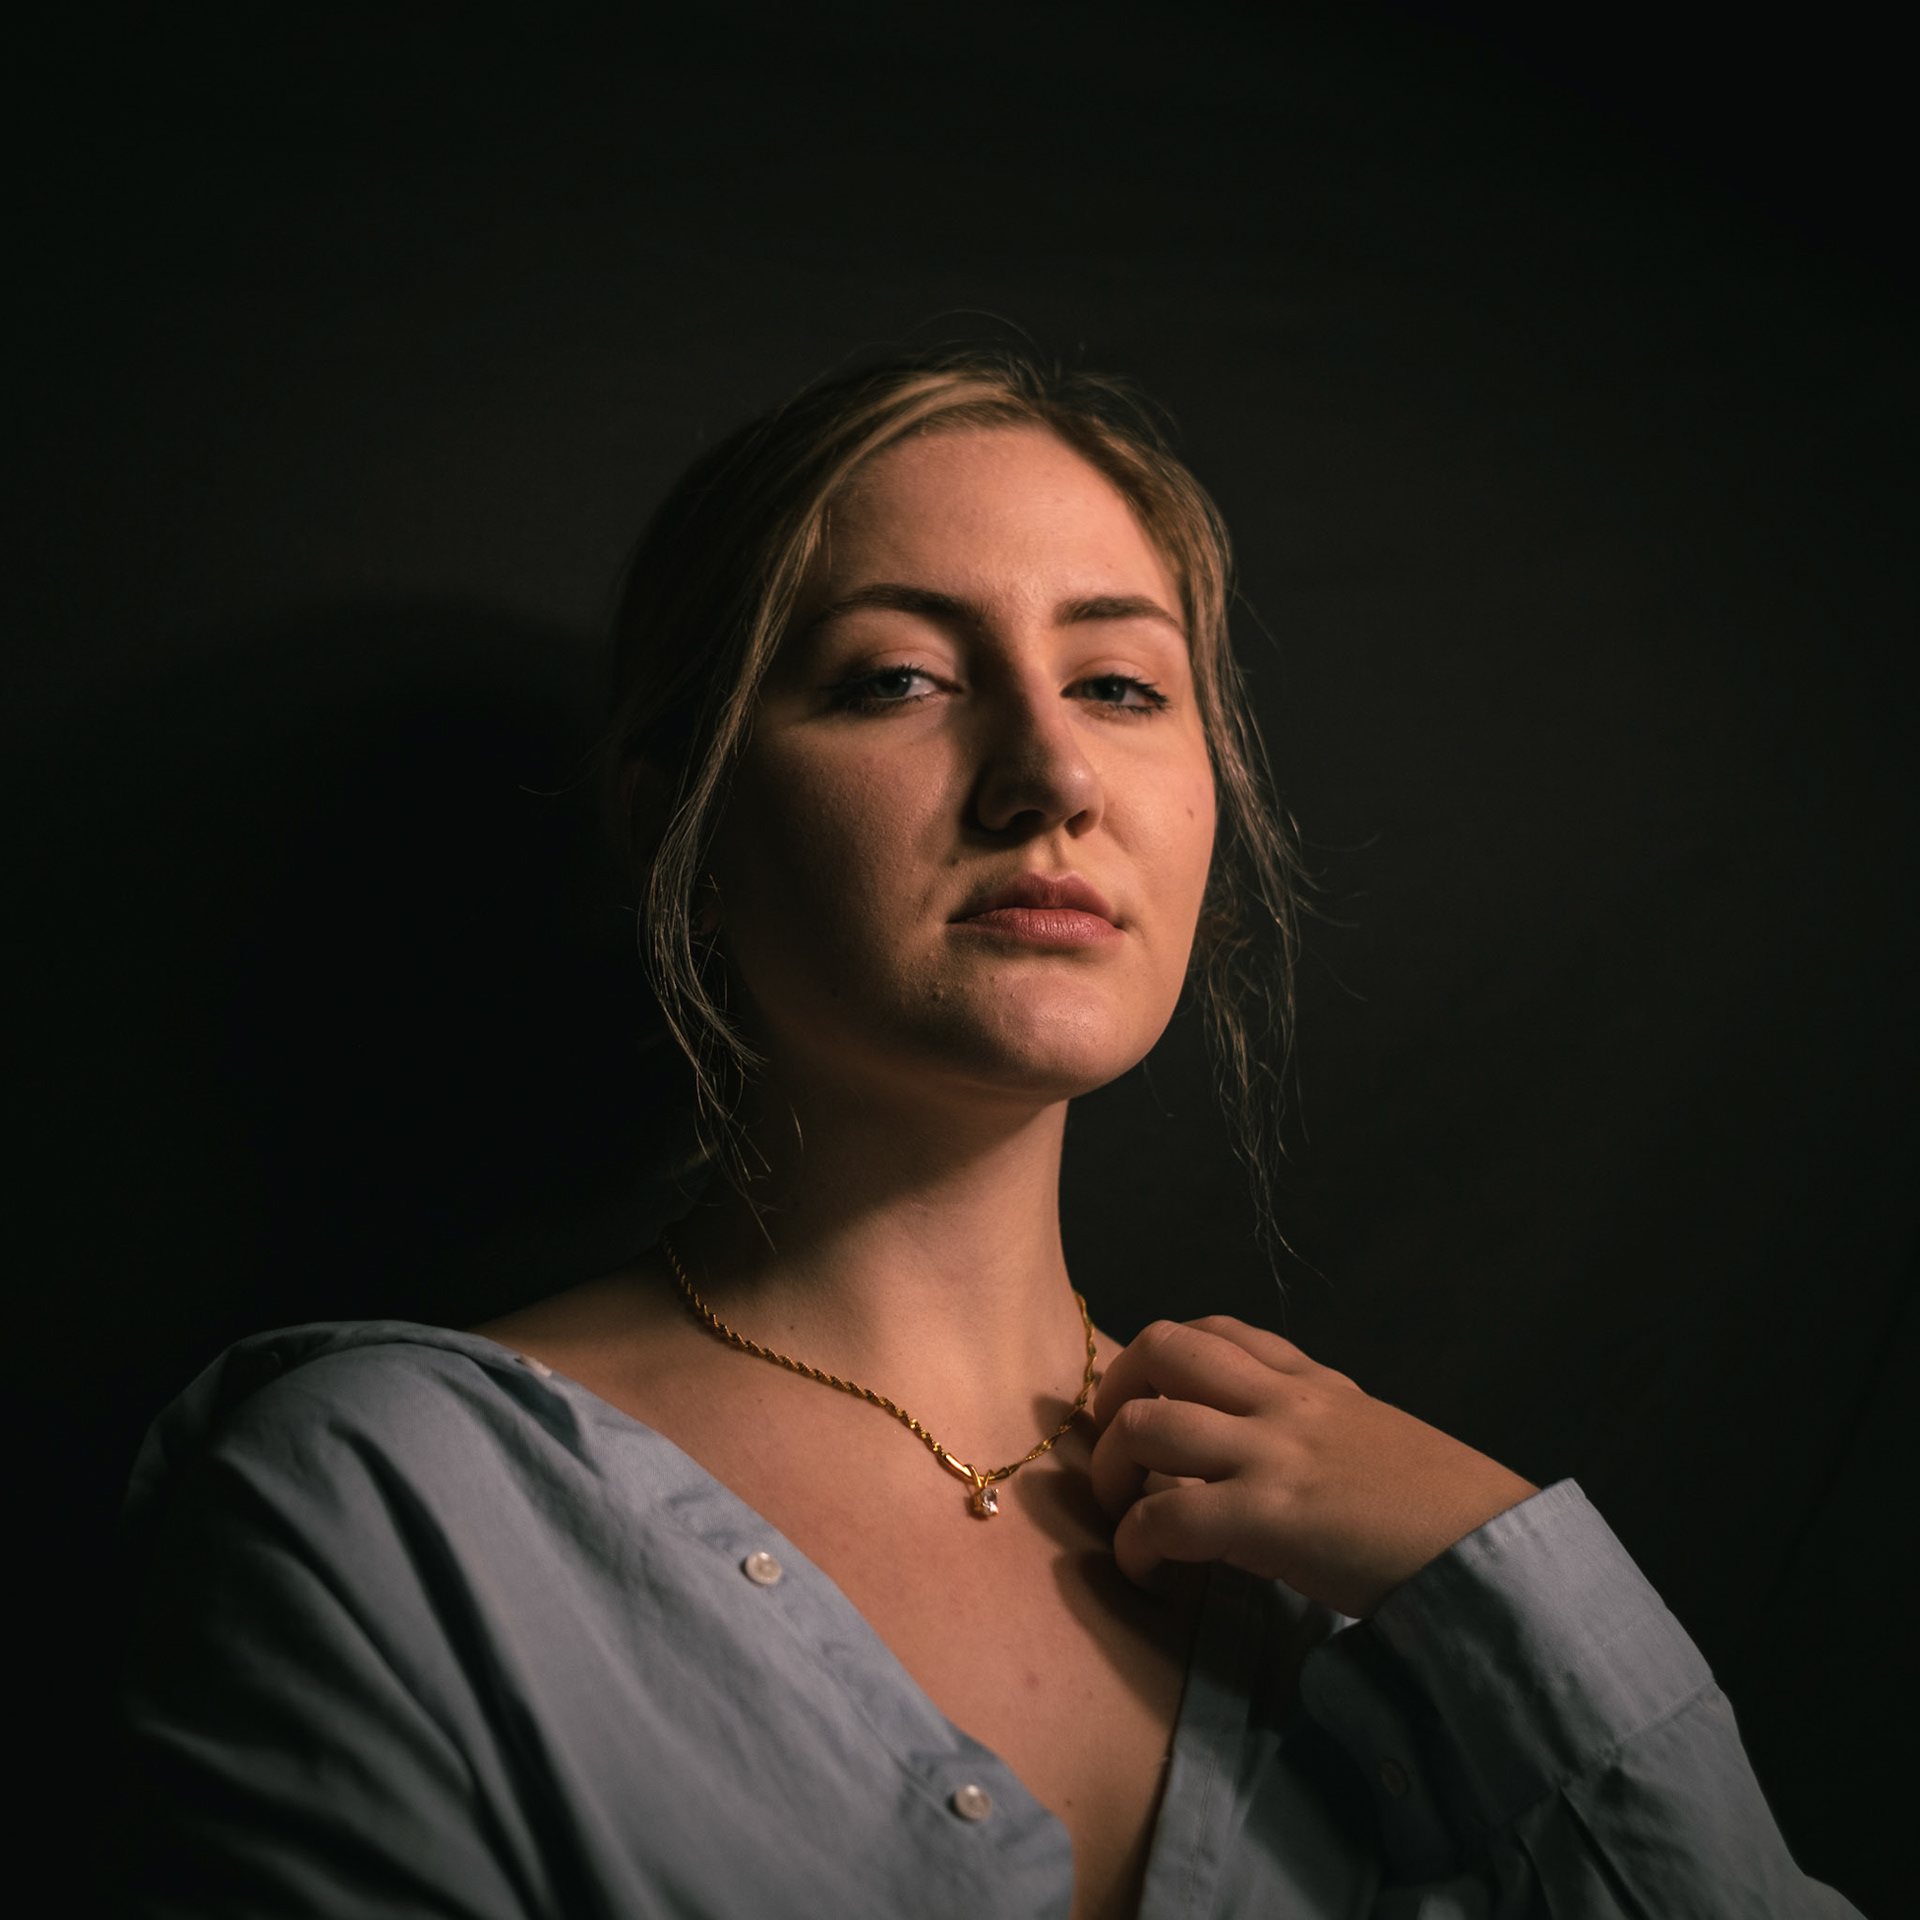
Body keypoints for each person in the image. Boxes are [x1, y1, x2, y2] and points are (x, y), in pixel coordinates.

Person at [119, 348, 1860, 1918]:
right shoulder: (387, 1506)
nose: (1054, 775)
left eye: (1121, 686)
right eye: (898, 677)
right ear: (680, 828)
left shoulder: (1375, 1580)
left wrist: (1502, 1572)